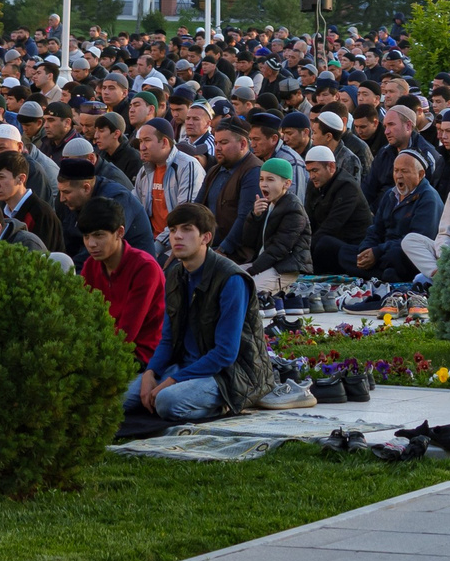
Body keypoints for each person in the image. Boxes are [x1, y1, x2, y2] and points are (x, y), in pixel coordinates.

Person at [126, 201, 274, 423]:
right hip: (183, 366)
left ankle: (223, 406)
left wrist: (173, 381)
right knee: (120, 398)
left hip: (227, 375)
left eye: (186, 230)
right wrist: (150, 373)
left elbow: (225, 353)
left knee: (167, 402)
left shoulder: (230, 279)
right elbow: (167, 338)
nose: (177, 237)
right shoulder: (175, 275)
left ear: (205, 237)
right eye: (174, 230)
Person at [80, 197, 165, 359]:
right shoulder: (91, 265)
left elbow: (126, 335)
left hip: (140, 354)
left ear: (120, 232)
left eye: (99, 235)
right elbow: (82, 316)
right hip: (99, 350)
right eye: (86, 236)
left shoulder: (145, 268)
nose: (91, 244)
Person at [352, 149, 441, 284]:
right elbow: (376, 228)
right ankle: (380, 272)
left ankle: (380, 272)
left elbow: (417, 240)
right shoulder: (390, 195)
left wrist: (377, 252)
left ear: (421, 174)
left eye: (404, 171)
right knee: (335, 248)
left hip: (403, 254)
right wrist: (367, 249)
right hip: (383, 252)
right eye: (396, 170)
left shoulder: (429, 198)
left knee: (394, 256)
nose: (398, 176)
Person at [223, 159, 312, 281]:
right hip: (263, 263)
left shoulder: (293, 209)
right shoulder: (267, 205)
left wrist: (251, 271)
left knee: (246, 286)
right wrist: (255, 217)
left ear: (286, 184)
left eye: (270, 180)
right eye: (261, 179)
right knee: (225, 278)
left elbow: (279, 249)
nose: (263, 184)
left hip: (285, 268)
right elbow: (248, 242)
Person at [300, 146, 375, 273]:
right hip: (328, 240)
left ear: (331, 167)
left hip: (352, 247)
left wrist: (305, 248)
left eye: (315, 170)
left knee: (323, 244)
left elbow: (332, 225)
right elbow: (308, 220)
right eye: (309, 172)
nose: (312, 176)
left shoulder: (347, 186)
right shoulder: (314, 185)